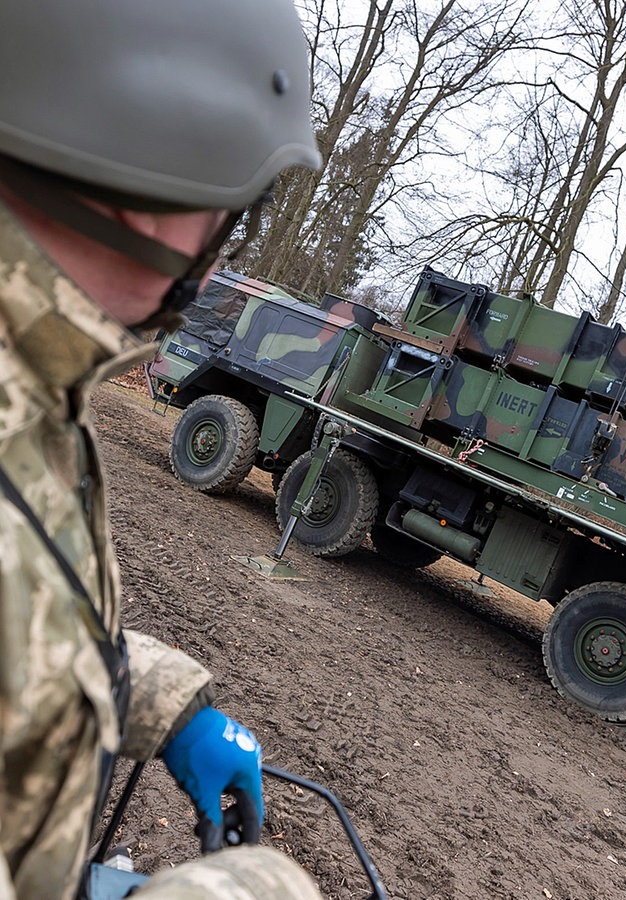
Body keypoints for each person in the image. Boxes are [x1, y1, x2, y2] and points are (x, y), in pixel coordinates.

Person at [0, 3, 325, 898]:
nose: (218, 261)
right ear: (138, 169)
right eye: (229, 214)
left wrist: (165, 700)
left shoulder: (33, 393)